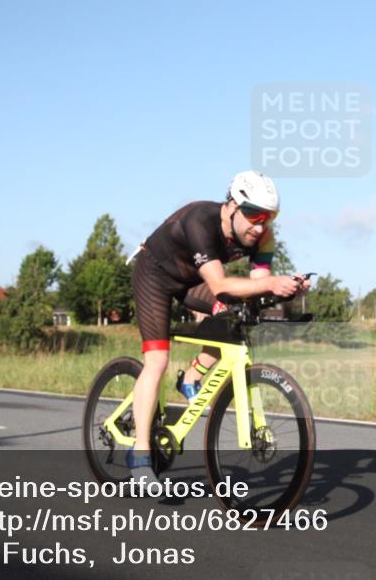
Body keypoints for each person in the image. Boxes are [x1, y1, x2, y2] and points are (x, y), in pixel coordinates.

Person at [127, 171, 310, 483]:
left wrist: (288, 288)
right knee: (157, 360)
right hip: (155, 275)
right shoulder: (200, 221)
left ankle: (192, 376)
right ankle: (140, 457)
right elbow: (221, 284)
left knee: (234, 317)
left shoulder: (263, 237)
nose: (259, 226)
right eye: (253, 215)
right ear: (232, 206)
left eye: (269, 217)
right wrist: (271, 283)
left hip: (190, 281)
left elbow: (256, 284)